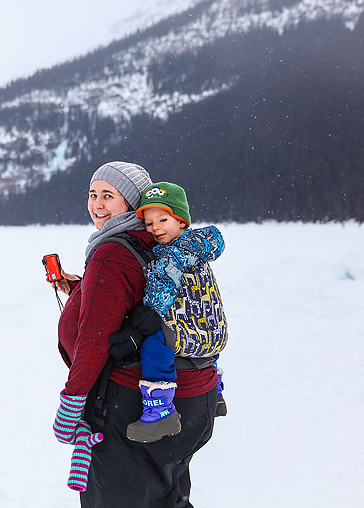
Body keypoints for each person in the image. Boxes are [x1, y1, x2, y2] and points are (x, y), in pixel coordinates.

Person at [51, 161, 218, 507]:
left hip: (136, 409)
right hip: (191, 400)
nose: (97, 204)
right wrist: (81, 290)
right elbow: (135, 303)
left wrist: (71, 404)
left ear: (131, 202)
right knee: (166, 498)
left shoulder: (113, 252)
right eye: (93, 194)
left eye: (108, 196)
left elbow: (94, 340)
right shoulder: (155, 243)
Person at [124, 182, 228, 443]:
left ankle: (159, 411)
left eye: (163, 219)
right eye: (148, 224)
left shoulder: (173, 256)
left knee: (154, 344)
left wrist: (142, 317)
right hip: (214, 330)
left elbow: (160, 297)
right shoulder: (197, 245)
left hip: (191, 331)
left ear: (182, 221)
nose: (155, 227)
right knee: (202, 349)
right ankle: (215, 393)